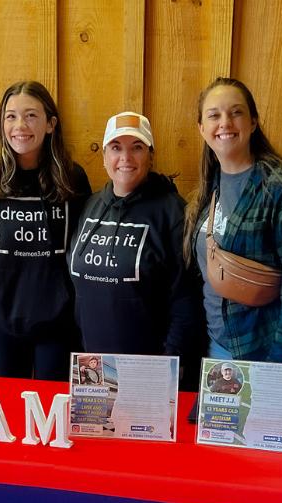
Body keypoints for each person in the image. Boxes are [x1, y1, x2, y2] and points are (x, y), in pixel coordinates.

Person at [184, 77, 282, 366]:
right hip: (216, 350)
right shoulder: (208, 188)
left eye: (236, 112)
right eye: (214, 115)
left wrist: (279, 371)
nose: (225, 122)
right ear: (201, 128)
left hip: (265, 354)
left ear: (253, 122)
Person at [0, 81, 91, 380]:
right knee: (5, 421)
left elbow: (83, 253)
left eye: (31, 115)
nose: (20, 125)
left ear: (50, 124)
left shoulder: (72, 178)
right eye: (11, 116)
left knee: (54, 420)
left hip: (59, 326)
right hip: (1, 326)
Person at [69, 112, 199, 371]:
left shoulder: (172, 213)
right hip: (92, 364)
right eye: (116, 148)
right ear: (105, 156)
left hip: (149, 364)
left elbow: (186, 296)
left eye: (136, 148)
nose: (125, 158)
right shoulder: (90, 206)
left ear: (150, 156)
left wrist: (173, 355)